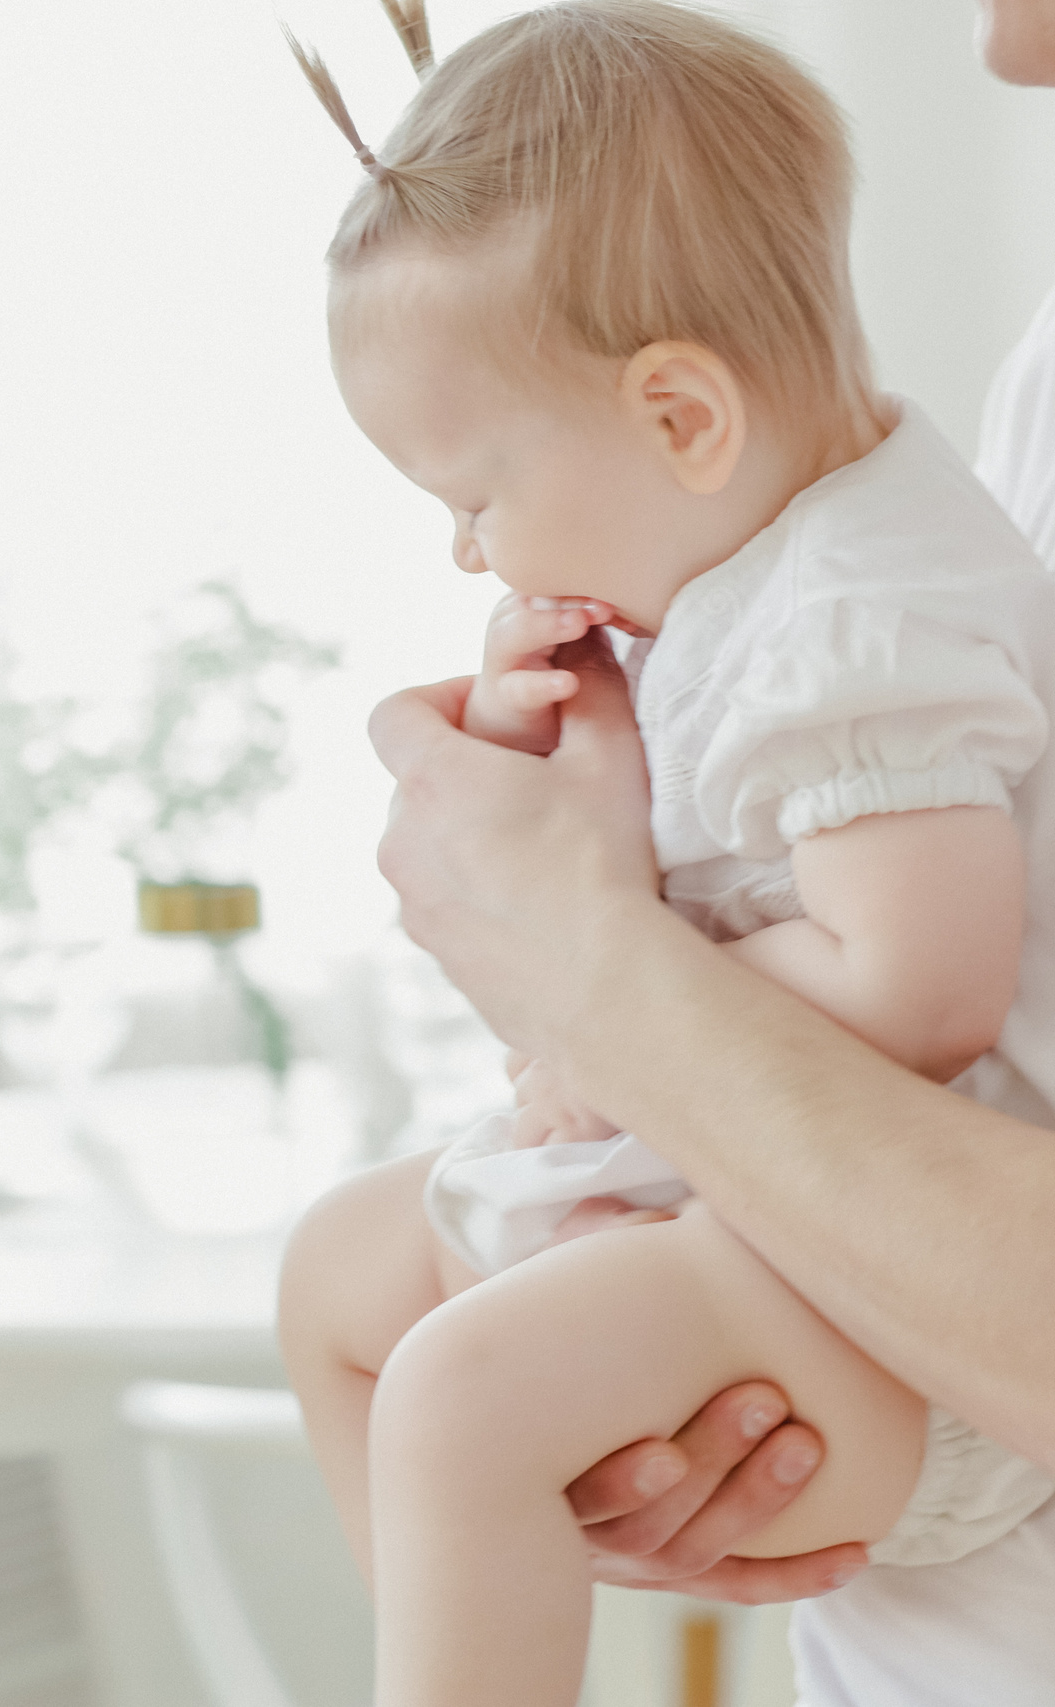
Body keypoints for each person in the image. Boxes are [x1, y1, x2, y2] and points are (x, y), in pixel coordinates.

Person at [273, 4, 1055, 1702]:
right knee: (338, 1282)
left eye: (477, 491)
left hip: (891, 1328)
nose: (463, 545)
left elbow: (920, 990)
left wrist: (608, 981)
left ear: (682, 416)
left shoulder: (861, 626)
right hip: (764, 1229)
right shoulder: (764, 568)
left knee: (461, 1404)